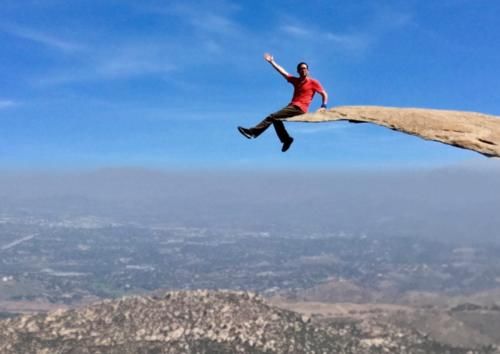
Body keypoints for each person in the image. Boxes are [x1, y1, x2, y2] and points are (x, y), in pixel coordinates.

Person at [238, 53, 328, 152]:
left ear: (308, 70)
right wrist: (272, 62)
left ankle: (252, 132)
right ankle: (287, 140)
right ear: (298, 71)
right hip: (292, 106)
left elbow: (324, 94)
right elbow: (283, 72)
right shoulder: (296, 81)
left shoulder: (313, 82)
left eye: (305, 68)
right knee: (276, 120)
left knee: (272, 117)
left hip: (299, 108)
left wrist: (323, 106)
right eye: (301, 68)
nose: (303, 70)